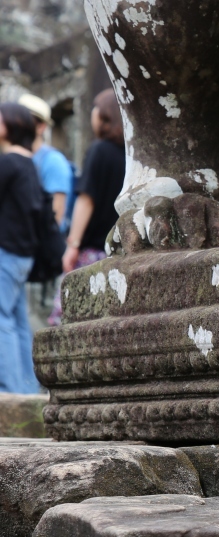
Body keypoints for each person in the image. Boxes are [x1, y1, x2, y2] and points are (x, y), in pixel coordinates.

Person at [0, 103, 46, 393]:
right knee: (16, 321)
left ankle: (8, 389)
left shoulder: (8, 163)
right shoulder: (29, 162)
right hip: (21, 255)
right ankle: (26, 390)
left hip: (6, 251)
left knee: (3, 320)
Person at [61, 90, 125, 276]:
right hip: (120, 252)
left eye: (95, 108)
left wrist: (73, 244)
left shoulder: (99, 150)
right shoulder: (130, 155)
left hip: (92, 252)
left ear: (104, 114)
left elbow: (86, 200)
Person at [18, 94, 73, 230]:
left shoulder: (53, 161)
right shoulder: (14, 157)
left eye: (24, 120)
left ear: (41, 126)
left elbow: (56, 219)